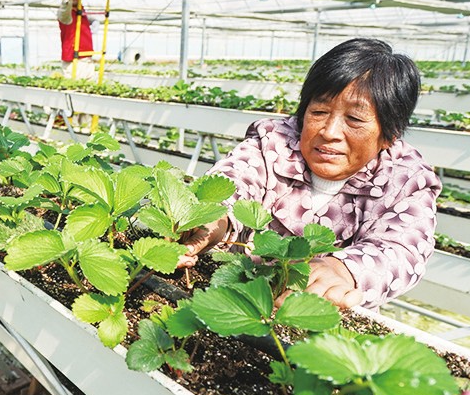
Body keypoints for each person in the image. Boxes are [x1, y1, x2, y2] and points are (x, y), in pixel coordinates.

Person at [179, 38, 441, 310]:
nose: (329, 132)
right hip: (229, 299)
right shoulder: (273, 143)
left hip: (315, 317)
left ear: (390, 134)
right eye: (319, 112)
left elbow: (402, 248)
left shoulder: (405, 179)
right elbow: (235, 178)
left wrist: (343, 270)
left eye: (354, 119)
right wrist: (213, 218)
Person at [57, 0, 98, 81]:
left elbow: (89, 19)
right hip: (74, 61)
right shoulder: (65, 14)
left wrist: (94, 21)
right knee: (75, 88)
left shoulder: (80, 11)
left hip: (87, 59)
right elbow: (64, 7)